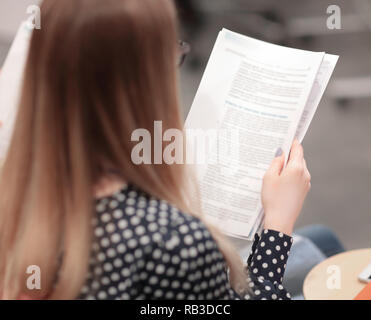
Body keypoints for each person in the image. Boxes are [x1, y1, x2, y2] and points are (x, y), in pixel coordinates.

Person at [0, 0, 311, 300]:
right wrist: (277, 224)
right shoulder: (172, 241)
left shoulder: (19, 194)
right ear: (143, 83)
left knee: (318, 240)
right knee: (319, 253)